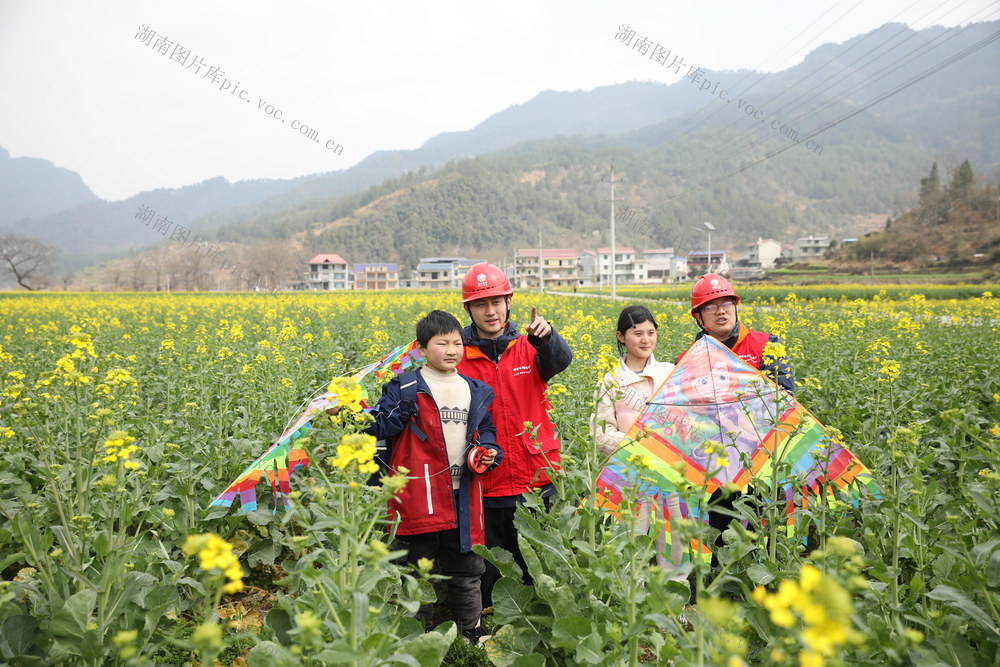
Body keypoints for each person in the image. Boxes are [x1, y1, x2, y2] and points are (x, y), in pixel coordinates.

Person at [366, 310, 502, 641]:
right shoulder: (405, 387)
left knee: (467, 567)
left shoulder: (475, 388)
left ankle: (470, 634)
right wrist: (359, 415)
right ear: (422, 348)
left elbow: (486, 430)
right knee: (417, 569)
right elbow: (380, 426)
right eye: (443, 343)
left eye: (458, 342)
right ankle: (416, 635)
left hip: (463, 494)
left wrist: (488, 451)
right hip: (419, 494)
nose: (453, 350)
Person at [456, 262, 572, 610]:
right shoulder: (458, 355)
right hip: (487, 477)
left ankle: (541, 616)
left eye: (496, 302)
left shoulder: (530, 346)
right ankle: (495, 621)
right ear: (468, 310)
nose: (490, 311)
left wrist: (548, 339)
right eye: (480, 304)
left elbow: (561, 360)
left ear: (509, 302)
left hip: (534, 475)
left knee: (537, 559)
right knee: (493, 563)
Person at [680, 273, 795, 565]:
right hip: (716, 462)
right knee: (719, 528)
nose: (721, 311)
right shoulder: (689, 358)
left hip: (761, 456)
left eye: (726, 303)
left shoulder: (766, 344)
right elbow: (684, 409)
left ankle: (765, 586)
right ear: (699, 317)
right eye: (711, 306)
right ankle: (722, 585)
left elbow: (784, 398)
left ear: (735, 306)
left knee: (766, 528)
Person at [591, 305, 684, 574]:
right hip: (630, 474)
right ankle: (631, 609)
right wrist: (639, 442)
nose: (646, 340)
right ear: (621, 337)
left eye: (651, 333)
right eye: (637, 333)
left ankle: (673, 606)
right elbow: (600, 433)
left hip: (670, 474)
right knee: (630, 545)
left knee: (674, 543)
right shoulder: (610, 379)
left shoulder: (670, 372)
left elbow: (687, 420)